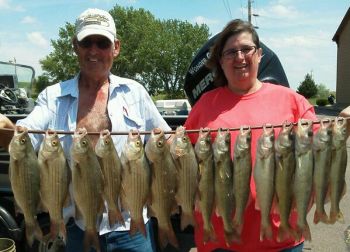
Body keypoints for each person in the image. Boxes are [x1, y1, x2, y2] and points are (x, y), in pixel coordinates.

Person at [0, 8, 171, 252]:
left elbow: (167, 142)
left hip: (131, 228)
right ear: (75, 47)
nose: (93, 50)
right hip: (76, 228)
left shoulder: (136, 93)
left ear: (116, 47)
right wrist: (7, 128)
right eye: (86, 42)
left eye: (102, 43)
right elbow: (27, 133)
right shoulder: (52, 96)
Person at [184, 19, 350, 251]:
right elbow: (184, 158)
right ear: (220, 62)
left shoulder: (292, 100)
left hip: (282, 240)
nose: (240, 57)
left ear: (259, 54)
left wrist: (346, 123)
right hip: (221, 241)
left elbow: (324, 147)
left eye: (246, 49)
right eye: (230, 52)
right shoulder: (204, 105)